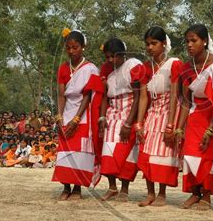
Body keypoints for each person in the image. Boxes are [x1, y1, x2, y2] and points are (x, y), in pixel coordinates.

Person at [176, 24, 213, 210]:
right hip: (194, 115)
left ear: (205, 41)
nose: (189, 44)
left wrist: (212, 127)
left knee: (207, 156)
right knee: (190, 155)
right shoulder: (187, 67)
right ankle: (194, 193)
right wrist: (179, 127)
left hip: (212, 115)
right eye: (187, 41)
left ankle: (206, 196)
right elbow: (185, 100)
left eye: (194, 40)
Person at [52, 28, 104, 200]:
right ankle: (65, 187)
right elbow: (61, 94)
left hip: (83, 115)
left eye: (75, 47)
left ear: (83, 47)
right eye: (68, 48)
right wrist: (59, 116)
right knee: (65, 152)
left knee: (80, 152)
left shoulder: (91, 68)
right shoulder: (63, 68)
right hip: (66, 114)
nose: (71, 51)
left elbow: (88, 96)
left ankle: (76, 188)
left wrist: (76, 119)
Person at [137, 26, 183, 207]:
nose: (150, 47)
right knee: (147, 152)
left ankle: (162, 194)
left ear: (164, 44)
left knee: (162, 154)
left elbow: (175, 95)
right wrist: (139, 123)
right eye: (147, 44)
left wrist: (171, 123)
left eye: (154, 43)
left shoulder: (173, 64)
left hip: (168, 111)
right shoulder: (146, 67)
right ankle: (150, 193)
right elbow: (142, 97)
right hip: (152, 112)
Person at [98, 37, 146, 202]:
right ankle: (112, 187)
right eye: (108, 57)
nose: (111, 60)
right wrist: (103, 117)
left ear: (122, 54)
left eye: (114, 56)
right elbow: (105, 96)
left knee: (127, 153)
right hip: (113, 114)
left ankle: (124, 189)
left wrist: (128, 122)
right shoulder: (107, 72)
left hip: (129, 111)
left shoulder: (132, 65)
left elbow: (138, 95)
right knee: (108, 150)